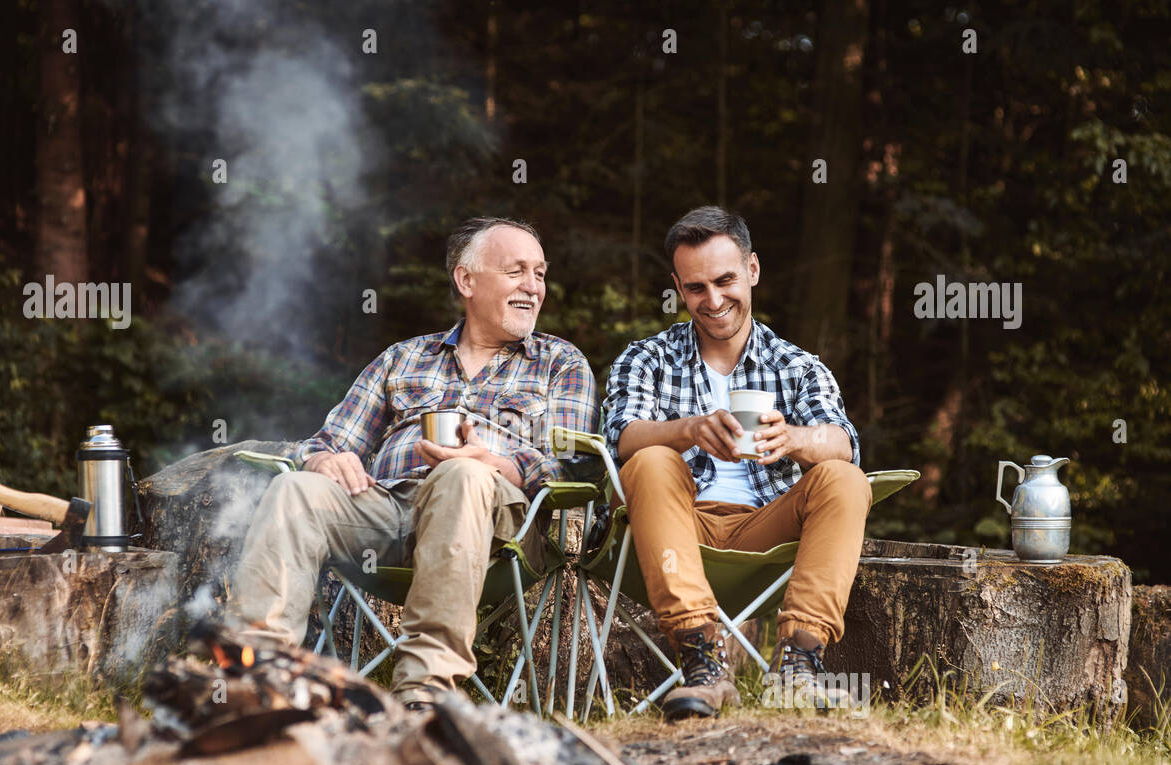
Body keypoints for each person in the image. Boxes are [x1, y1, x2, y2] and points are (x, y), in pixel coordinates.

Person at [227, 217, 599, 710]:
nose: (533, 286)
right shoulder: (403, 358)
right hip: (390, 510)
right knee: (297, 489)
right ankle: (256, 681)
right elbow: (329, 440)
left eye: (540, 273)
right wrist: (322, 460)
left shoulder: (559, 362)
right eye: (517, 272)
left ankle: (425, 689)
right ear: (467, 280)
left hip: (498, 525)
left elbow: (572, 466)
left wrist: (491, 461)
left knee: (462, 473)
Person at [602, 206, 872, 720]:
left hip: (765, 529)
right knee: (651, 459)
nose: (713, 300)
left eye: (725, 280)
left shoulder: (795, 364)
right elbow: (622, 436)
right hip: (677, 527)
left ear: (752, 270)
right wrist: (688, 430)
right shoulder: (647, 358)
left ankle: (799, 664)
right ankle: (703, 663)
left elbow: (844, 441)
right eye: (696, 287)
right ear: (678, 288)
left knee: (844, 478)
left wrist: (794, 438)